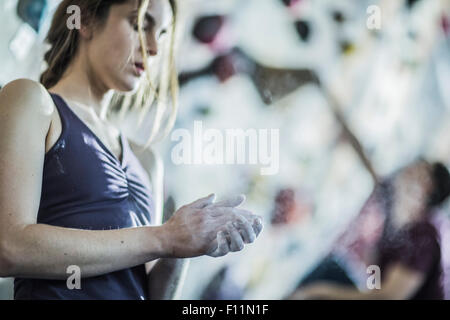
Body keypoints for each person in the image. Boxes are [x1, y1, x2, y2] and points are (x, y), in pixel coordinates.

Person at [0, 0, 263, 300]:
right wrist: (165, 237)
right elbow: (9, 247)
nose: (153, 49)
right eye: (141, 24)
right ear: (84, 19)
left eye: (162, 34)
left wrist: (187, 245)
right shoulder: (33, 102)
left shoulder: (147, 161)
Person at [289, 160, 450, 300]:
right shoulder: (402, 222)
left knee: (323, 280)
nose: (415, 165)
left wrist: (319, 292)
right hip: (358, 277)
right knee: (331, 267)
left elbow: (389, 296)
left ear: (428, 188)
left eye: (423, 170)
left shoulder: (425, 235)